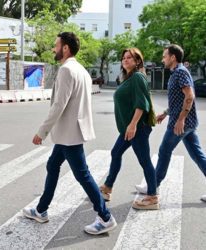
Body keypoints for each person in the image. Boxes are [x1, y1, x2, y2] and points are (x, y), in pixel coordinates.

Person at [22, 32, 117, 235]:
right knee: (53, 165)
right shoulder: (81, 69)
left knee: (83, 175)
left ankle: (105, 217)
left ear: (65, 48)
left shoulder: (66, 70)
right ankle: (41, 210)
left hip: (69, 134)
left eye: (56, 45)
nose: (54, 49)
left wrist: (42, 132)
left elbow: (59, 105)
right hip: (72, 131)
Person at [135, 44, 206, 202]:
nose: (163, 59)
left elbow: (189, 96)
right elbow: (178, 99)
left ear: (173, 57)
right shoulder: (176, 72)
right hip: (186, 122)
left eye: (165, 56)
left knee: (164, 151)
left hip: (181, 123)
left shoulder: (180, 72)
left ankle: (153, 185)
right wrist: (165, 113)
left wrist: (180, 120)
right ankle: (153, 184)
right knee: (198, 155)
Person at [99, 48, 159, 210]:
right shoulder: (128, 78)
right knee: (116, 153)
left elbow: (141, 104)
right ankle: (107, 187)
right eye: (123, 58)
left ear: (137, 61)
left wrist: (132, 125)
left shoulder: (137, 77)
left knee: (144, 161)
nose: (125, 60)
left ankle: (152, 197)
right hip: (129, 129)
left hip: (137, 128)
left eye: (129, 58)